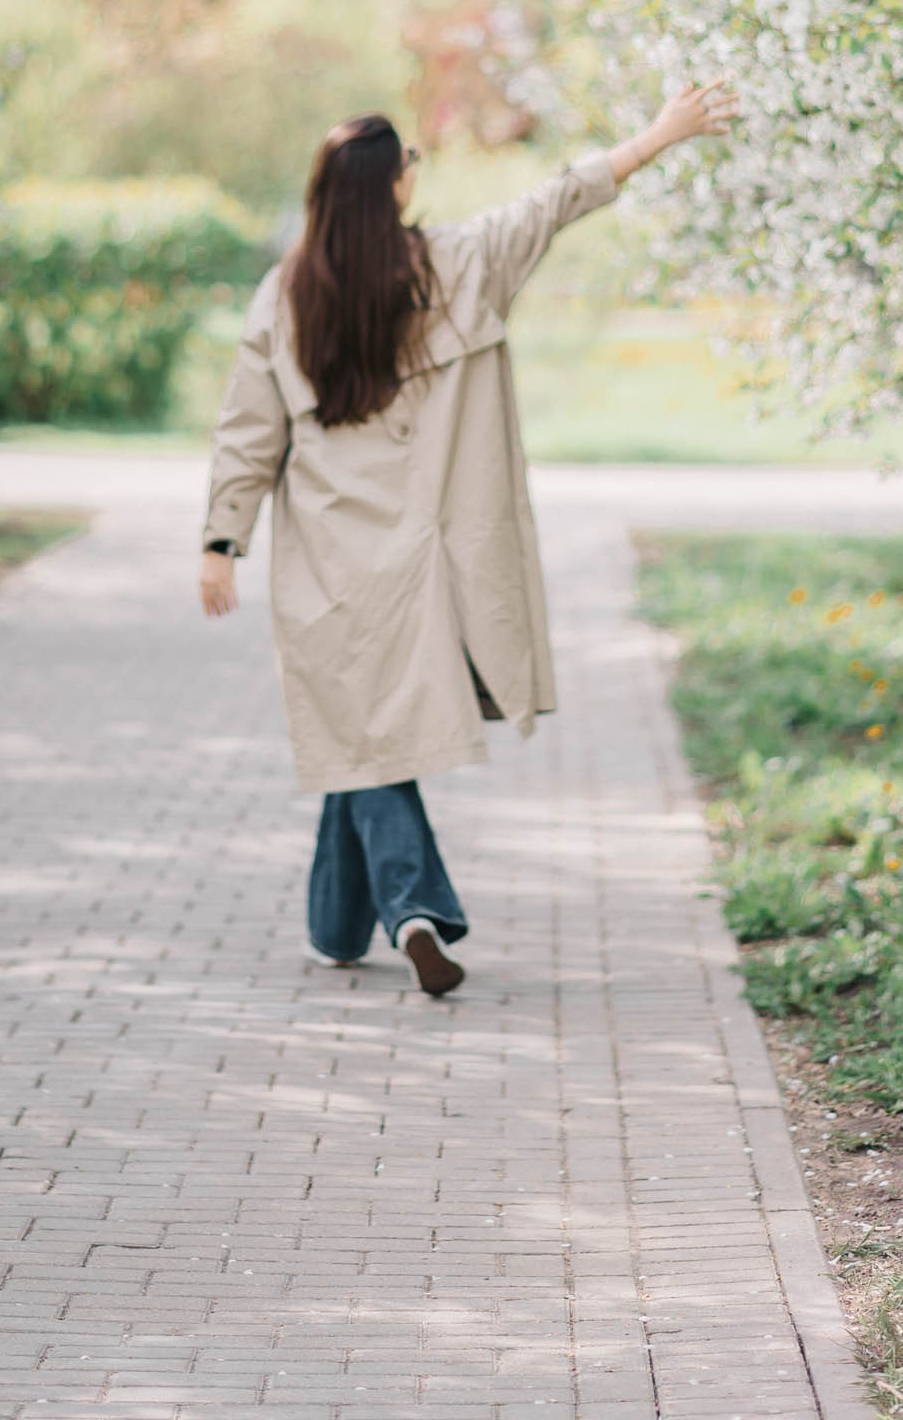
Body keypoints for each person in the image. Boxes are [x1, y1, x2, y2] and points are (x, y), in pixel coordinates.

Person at [199, 82, 736, 996]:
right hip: (427, 560)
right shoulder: (463, 263)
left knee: (360, 734)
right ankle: (388, 915)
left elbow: (247, 429)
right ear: (394, 186)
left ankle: (377, 918)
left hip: (330, 564)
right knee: (364, 738)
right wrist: (657, 136)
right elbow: (556, 199)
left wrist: (222, 541)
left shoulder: (282, 296)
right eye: (409, 162)